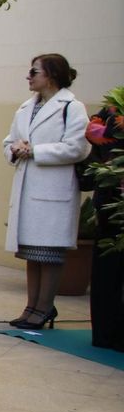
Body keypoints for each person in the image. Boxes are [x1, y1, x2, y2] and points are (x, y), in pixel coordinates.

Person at [3, 54, 89, 330]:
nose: (28, 76)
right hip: (28, 188)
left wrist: (35, 151)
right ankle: (31, 307)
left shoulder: (72, 107)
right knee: (31, 252)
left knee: (49, 253)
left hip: (54, 190)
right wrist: (14, 149)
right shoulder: (25, 108)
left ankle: (44, 307)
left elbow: (78, 147)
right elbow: (8, 141)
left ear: (51, 75)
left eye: (34, 71)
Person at [87, 87, 124, 350]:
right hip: (111, 196)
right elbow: (93, 131)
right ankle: (104, 333)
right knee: (107, 266)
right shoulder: (113, 108)